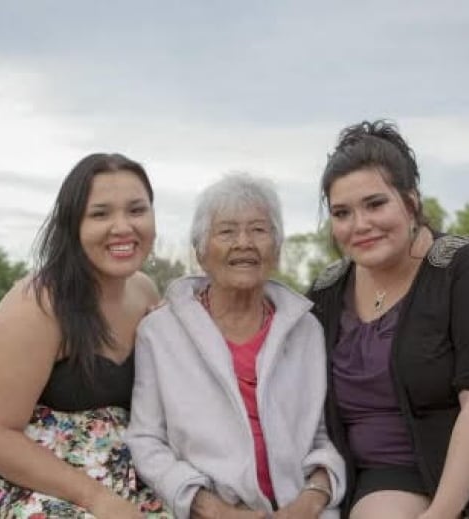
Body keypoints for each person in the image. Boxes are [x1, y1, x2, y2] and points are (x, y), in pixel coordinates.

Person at [307, 120, 469, 519]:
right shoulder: (326, 294)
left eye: (375, 204)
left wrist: (440, 515)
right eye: (342, 213)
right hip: (391, 475)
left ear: (411, 201)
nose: (359, 225)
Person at [0, 153, 171, 518]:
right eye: (100, 214)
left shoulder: (145, 293)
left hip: (114, 468)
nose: (123, 226)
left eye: (137, 210)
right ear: (72, 225)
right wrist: (99, 501)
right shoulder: (36, 307)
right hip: (13, 474)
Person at [125, 173, 346, 518]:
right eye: (226, 231)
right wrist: (211, 509)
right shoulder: (159, 333)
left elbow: (318, 436)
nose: (244, 242)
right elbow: (146, 440)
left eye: (259, 230)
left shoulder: (306, 329)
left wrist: (311, 500)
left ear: (276, 248)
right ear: (200, 251)